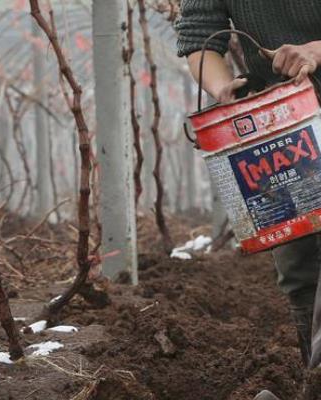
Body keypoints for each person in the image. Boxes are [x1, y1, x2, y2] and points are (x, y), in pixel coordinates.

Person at [176, 1, 321, 399]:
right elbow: (197, 31)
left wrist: (315, 50)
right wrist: (222, 86)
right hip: (283, 122)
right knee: (300, 269)